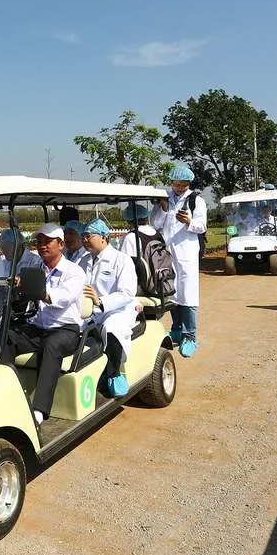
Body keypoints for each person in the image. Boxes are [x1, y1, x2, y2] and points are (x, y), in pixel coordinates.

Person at [6, 223, 86, 426]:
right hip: (38, 328)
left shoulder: (74, 272)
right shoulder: (33, 270)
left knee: (52, 346)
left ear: (60, 245)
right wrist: (14, 290)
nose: (42, 246)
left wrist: (37, 290)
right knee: (6, 336)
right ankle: (8, 396)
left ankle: (39, 410)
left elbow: (63, 298)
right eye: (39, 242)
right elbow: (24, 301)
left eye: (47, 242)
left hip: (65, 329)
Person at [77, 219, 140, 397]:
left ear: (104, 237)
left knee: (111, 328)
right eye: (83, 236)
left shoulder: (122, 260)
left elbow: (127, 293)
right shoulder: (84, 261)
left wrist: (101, 301)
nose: (84, 240)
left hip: (118, 310)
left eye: (88, 236)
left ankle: (114, 373)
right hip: (92, 311)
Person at [150, 164, 207, 358]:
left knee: (188, 294)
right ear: (171, 182)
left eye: (184, 184)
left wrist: (189, 222)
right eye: (177, 184)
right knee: (171, 291)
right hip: (167, 252)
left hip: (187, 253)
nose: (180, 188)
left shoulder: (196, 200)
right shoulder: (164, 199)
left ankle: (190, 336)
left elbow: (202, 226)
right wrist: (164, 210)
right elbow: (155, 224)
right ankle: (176, 329)